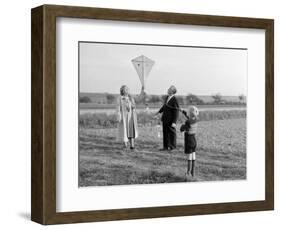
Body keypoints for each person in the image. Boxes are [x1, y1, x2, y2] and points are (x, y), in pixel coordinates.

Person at [154, 85, 179, 151]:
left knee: (172, 133)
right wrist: (159, 112)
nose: (168, 90)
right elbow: (164, 106)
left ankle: (172, 147)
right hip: (165, 118)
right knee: (165, 133)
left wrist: (174, 122)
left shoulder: (175, 99)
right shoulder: (167, 97)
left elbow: (176, 111)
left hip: (171, 120)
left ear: (172, 91)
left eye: (169, 89)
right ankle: (165, 147)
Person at [116, 85, 138, 149]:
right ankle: (125, 144)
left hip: (131, 117)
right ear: (122, 90)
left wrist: (133, 106)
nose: (127, 90)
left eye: (128, 89)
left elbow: (134, 106)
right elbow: (118, 108)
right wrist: (119, 116)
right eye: (125, 89)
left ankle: (132, 145)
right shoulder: (120, 98)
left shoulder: (131, 98)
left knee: (131, 131)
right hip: (124, 117)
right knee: (125, 131)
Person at [180, 106, 199, 177]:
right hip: (194, 140)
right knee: (193, 156)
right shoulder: (196, 119)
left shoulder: (187, 122)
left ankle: (188, 172)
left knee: (189, 157)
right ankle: (193, 173)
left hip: (189, 140)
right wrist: (182, 111)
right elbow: (189, 118)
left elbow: (182, 129)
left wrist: (182, 126)